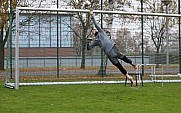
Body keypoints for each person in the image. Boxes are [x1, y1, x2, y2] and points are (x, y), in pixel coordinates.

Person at [87, 14, 137, 85]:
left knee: (123, 58)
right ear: (92, 32)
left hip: (113, 49)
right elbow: (89, 48)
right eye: (93, 30)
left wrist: (92, 16)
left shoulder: (101, 32)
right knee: (119, 66)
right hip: (109, 54)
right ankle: (129, 78)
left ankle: (132, 64)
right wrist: (88, 42)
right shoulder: (95, 41)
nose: (94, 30)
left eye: (94, 29)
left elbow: (95, 23)